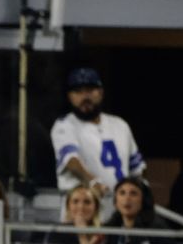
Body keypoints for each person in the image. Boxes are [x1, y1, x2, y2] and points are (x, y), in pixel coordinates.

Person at [51, 67, 145, 223]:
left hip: (118, 211)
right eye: (78, 91)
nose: (84, 96)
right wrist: (92, 181)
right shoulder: (64, 125)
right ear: (70, 96)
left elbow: (137, 169)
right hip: (82, 211)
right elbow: (71, 161)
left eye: (89, 90)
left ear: (100, 92)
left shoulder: (119, 125)